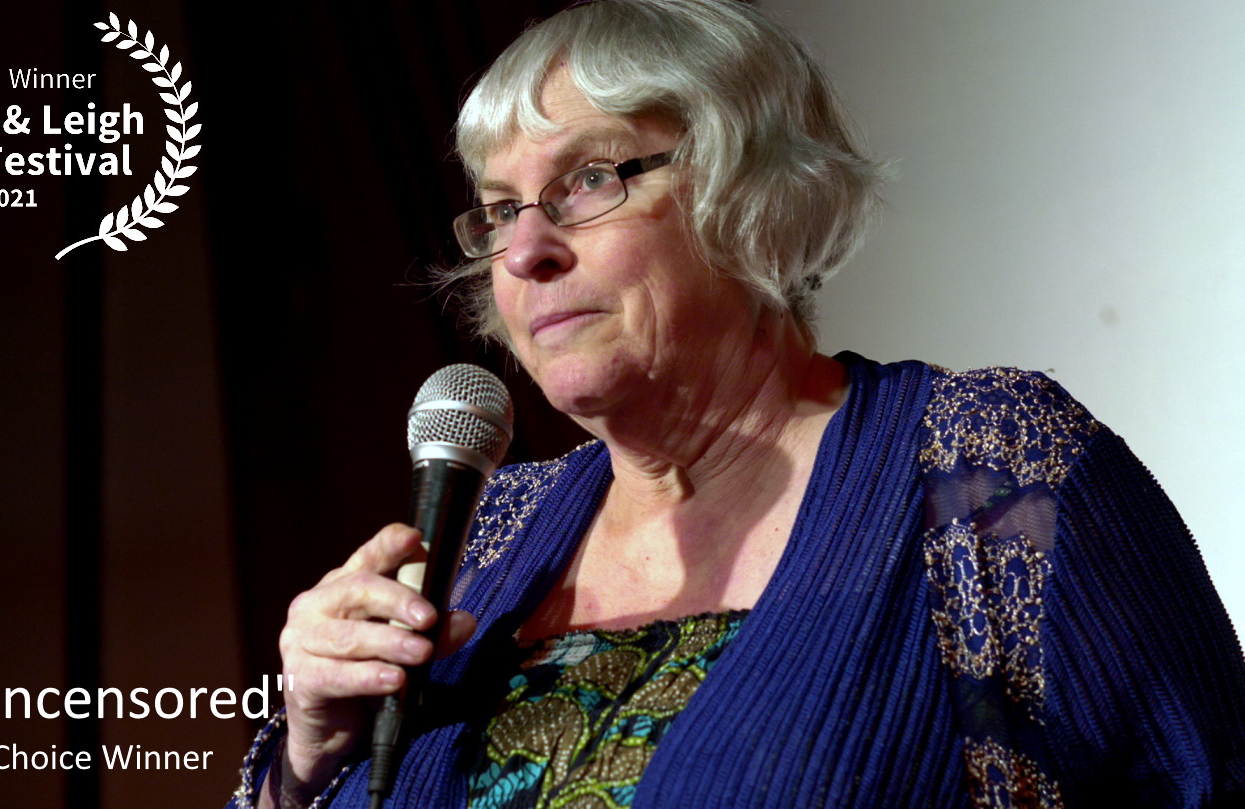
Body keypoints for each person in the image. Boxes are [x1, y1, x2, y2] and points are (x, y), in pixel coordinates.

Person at [229, 1, 1245, 807]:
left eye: (589, 178)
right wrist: (303, 762)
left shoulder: (987, 465)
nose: (526, 248)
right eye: (500, 209)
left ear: (751, 193)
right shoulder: (494, 528)